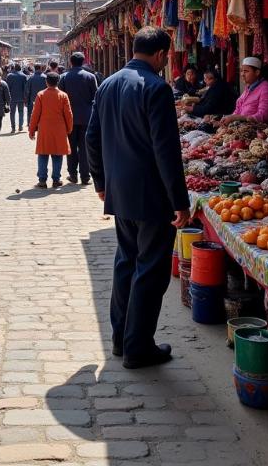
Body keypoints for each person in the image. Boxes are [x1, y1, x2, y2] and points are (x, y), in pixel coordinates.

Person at [86, 27, 190, 369]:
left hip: (120, 192)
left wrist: (101, 182)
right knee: (150, 270)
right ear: (161, 55)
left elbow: (92, 138)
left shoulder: (108, 84)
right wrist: (180, 200)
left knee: (126, 262)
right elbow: (166, 150)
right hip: (152, 195)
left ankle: (120, 339)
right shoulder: (156, 88)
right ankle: (138, 347)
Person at [29, 71, 73, 189]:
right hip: (59, 128)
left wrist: (32, 129)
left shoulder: (41, 95)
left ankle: (42, 180)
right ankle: (56, 179)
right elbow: (68, 114)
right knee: (57, 154)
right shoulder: (63, 95)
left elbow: (35, 114)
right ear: (58, 82)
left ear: (46, 82)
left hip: (44, 129)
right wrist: (69, 128)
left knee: (43, 153)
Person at [59, 52, 97, 185]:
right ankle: (85, 176)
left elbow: (61, 99)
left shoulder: (64, 77)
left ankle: (73, 175)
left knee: (71, 147)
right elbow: (95, 98)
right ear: (83, 61)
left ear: (70, 62)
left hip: (69, 118)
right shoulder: (91, 77)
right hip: (87, 117)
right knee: (84, 147)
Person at [220, 56, 268, 125]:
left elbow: (264, 115)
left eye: (246, 71)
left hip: (259, 131)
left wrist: (237, 118)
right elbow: (237, 111)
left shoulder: (266, 89)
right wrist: (226, 120)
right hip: (241, 128)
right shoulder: (248, 89)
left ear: (257, 72)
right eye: (241, 71)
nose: (242, 74)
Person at [5, 63, 28, 133]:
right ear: (20, 68)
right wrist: (25, 97)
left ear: (14, 68)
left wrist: (6, 98)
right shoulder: (23, 76)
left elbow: (7, 87)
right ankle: (20, 126)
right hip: (21, 97)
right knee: (21, 112)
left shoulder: (9, 76)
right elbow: (25, 88)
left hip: (11, 97)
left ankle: (13, 128)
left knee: (12, 113)